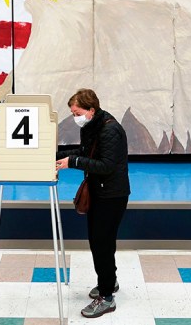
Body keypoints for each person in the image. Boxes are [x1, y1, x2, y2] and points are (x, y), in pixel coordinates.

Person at [55, 89, 130, 319]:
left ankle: (106, 297)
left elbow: (105, 165)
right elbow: (86, 152)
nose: (74, 116)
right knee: (100, 242)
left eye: (76, 112)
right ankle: (110, 281)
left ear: (91, 110)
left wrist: (73, 161)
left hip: (112, 196)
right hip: (100, 193)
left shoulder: (110, 130)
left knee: (101, 243)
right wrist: (60, 155)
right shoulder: (93, 126)